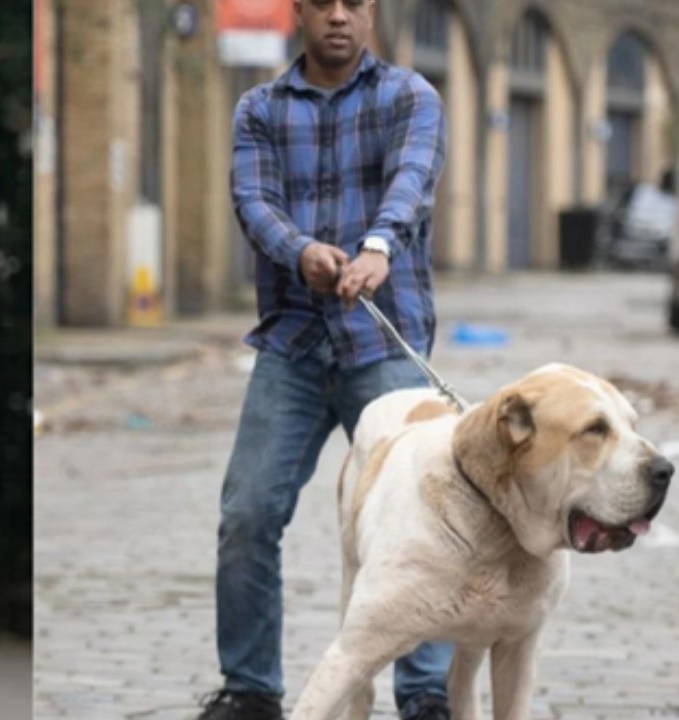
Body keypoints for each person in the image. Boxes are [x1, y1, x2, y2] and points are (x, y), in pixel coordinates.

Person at [198, 1, 449, 719]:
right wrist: (298, 252)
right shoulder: (259, 109)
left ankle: (425, 693)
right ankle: (249, 690)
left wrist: (378, 246)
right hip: (293, 344)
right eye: (322, 3)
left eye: (355, 3)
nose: (338, 17)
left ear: (370, 15)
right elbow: (253, 201)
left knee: (417, 519)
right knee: (247, 513)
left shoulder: (411, 97)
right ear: (300, 13)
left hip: (384, 338)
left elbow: (414, 179)